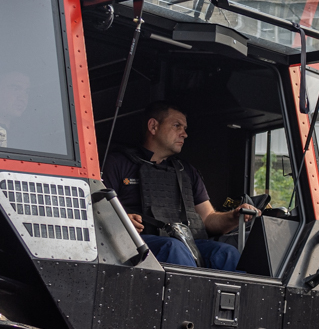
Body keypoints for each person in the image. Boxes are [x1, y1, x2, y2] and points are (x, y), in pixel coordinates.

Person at [103, 100, 258, 270]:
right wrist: (122, 220)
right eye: (177, 125)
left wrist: (233, 216)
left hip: (187, 242)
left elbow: (207, 218)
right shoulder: (118, 163)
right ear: (153, 126)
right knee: (173, 248)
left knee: (227, 253)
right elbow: (99, 212)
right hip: (138, 242)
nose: (184, 134)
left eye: (184, 128)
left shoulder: (187, 171)